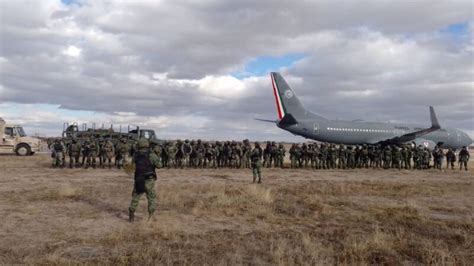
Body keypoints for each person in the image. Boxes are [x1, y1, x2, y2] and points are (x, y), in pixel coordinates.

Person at [129, 138, 161, 222]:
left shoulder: (136, 154)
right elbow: (159, 165)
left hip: (139, 178)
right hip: (149, 180)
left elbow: (131, 167)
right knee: (151, 198)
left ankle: (131, 213)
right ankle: (151, 216)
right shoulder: (151, 154)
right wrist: (157, 155)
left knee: (136, 197)